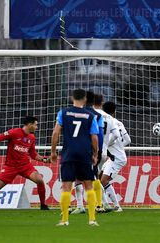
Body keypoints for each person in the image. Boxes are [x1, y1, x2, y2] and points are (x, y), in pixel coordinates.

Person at [0, 116, 51, 211]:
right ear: (29, 125)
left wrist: (45, 160)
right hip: (10, 167)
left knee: (39, 180)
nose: (37, 127)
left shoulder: (32, 137)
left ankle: (43, 205)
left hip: (25, 166)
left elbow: (33, 155)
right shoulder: (14, 132)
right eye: (36, 125)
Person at [51, 89, 99, 226]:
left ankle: (65, 220)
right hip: (84, 153)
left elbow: (56, 133)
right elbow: (94, 137)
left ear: (72, 98)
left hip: (68, 153)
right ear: (84, 99)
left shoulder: (63, 113)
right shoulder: (90, 116)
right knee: (89, 185)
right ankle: (92, 220)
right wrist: (95, 154)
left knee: (66, 186)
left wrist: (53, 152)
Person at [71, 91, 104, 215]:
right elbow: (99, 135)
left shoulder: (74, 113)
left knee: (77, 178)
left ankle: (81, 206)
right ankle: (99, 205)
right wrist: (97, 152)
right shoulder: (97, 115)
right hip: (91, 150)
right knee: (93, 176)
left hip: (76, 148)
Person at [101, 101, 131, 212]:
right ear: (114, 111)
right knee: (101, 180)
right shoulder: (119, 123)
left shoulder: (106, 122)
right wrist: (119, 148)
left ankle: (111, 206)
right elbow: (128, 140)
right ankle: (110, 205)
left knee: (102, 181)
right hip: (114, 157)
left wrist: (107, 146)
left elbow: (112, 138)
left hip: (117, 159)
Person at [93, 94, 120, 211]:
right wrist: (106, 145)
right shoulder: (109, 118)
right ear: (102, 102)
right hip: (103, 152)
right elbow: (116, 135)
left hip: (93, 151)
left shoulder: (90, 114)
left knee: (91, 178)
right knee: (96, 178)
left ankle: (102, 204)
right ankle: (104, 203)